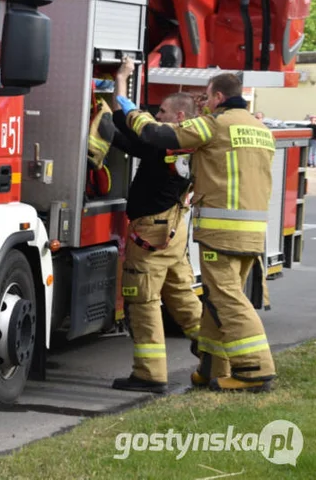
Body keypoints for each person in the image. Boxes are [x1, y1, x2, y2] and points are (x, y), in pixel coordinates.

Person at [116, 68, 277, 392]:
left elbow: (157, 135)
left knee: (227, 299)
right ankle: (211, 367)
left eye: (209, 95)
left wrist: (127, 107)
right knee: (214, 300)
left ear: (218, 96)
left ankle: (255, 368)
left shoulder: (214, 126)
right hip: (251, 230)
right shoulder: (260, 128)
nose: (206, 102)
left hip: (220, 231)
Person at [109, 60, 204, 394]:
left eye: (163, 111)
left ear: (179, 117)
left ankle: (149, 374)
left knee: (143, 300)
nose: (157, 115)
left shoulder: (164, 142)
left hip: (151, 234)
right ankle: (213, 355)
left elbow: (128, 127)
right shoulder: (190, 145)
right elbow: (131, 137)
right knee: (183, 297)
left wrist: (119, 82)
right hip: (173, 235)